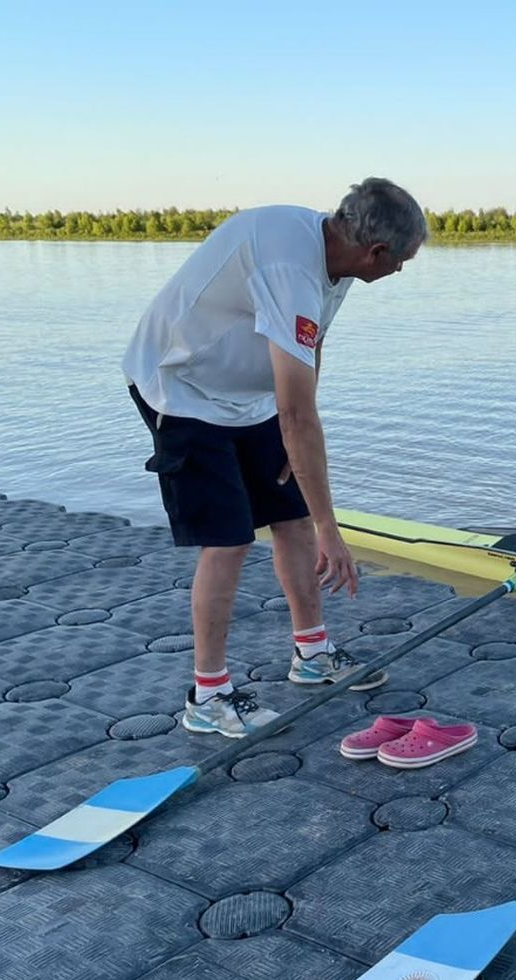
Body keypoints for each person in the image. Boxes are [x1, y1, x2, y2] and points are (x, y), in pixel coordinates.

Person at [123, 178, 428, 737]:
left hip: (250, 399)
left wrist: (298, 455)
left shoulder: (336, 254)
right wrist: (331, 528)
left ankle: (312, 656)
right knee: (231, 538)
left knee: (289, 519)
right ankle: (207, 695)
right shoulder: (288, 265)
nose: (402, 270)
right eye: (403, 261)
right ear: (375, 251)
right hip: (182, 389)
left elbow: (310, 356)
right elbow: (299, 416)